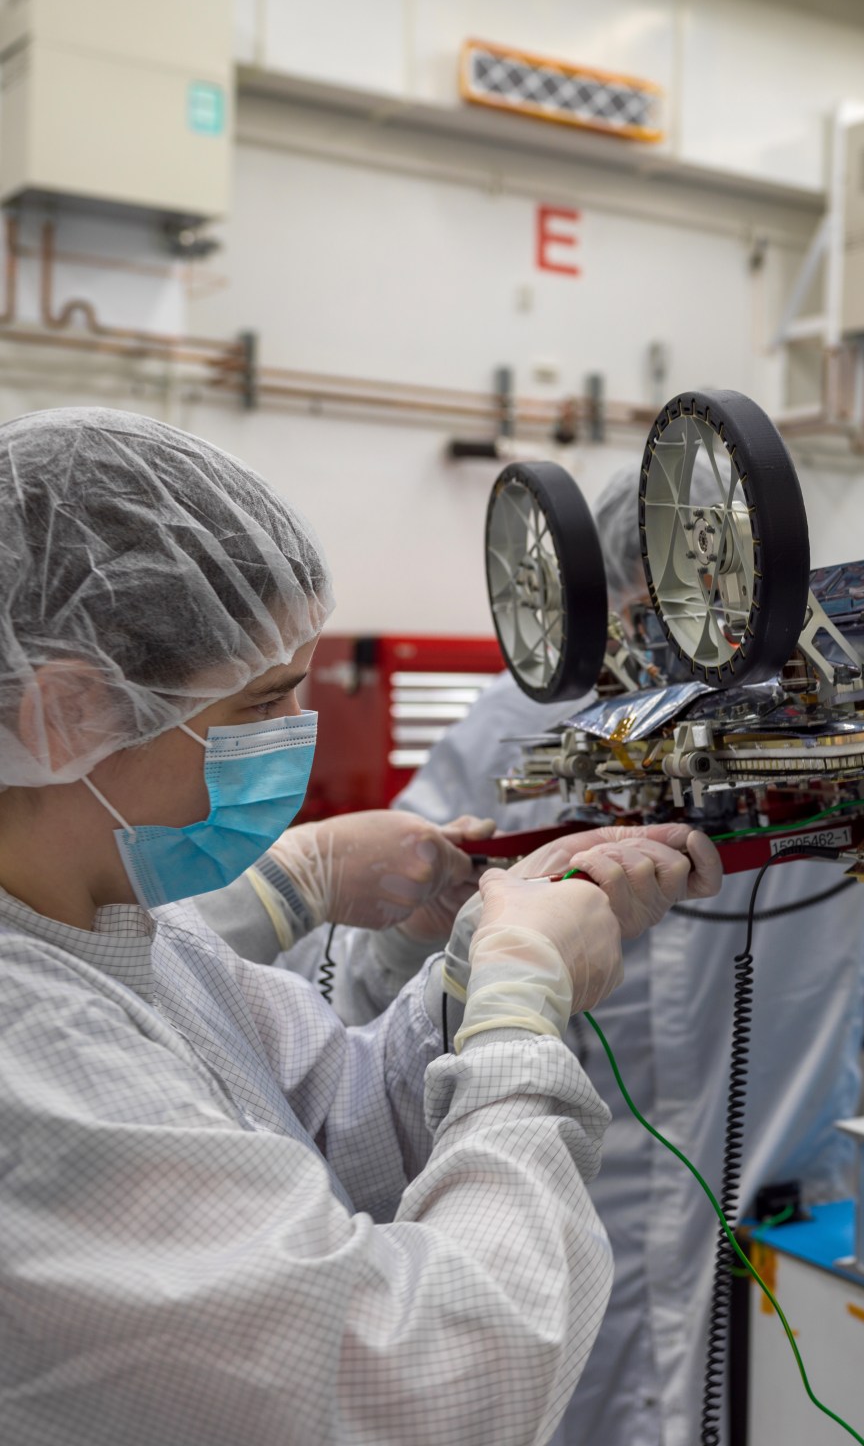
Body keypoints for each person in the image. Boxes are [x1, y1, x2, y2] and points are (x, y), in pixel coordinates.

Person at [0, 408, 722, 1446]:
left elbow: (331, 1117)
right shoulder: (35, 1067)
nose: (293, 741)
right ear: (66, 715)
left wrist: (470, 978)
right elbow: (431, 1382)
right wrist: (521, 1022)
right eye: (260, 705)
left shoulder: (118, 926)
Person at [338, 463, 864, 1446]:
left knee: (783, 1404)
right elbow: (383, 955)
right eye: (647, 608)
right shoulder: (519, 716)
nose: (667, 645)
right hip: (564, 1207)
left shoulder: (832, 716)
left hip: (774, 1202)